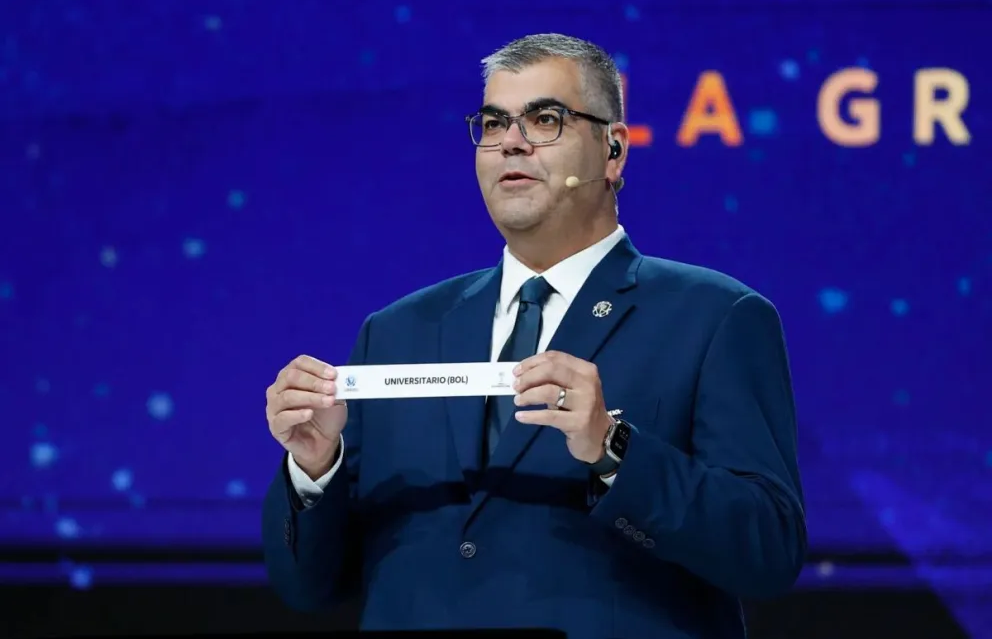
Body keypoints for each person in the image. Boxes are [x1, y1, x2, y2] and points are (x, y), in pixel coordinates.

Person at [261, 33, 806, 638]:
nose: (511, 142)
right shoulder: (396, 332)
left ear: (614, 151)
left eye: (545, 119)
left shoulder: (716, 317)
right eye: (494, 123)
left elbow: (769, 551)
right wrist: (315, 469)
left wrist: (614, 449)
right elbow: (308, 587)